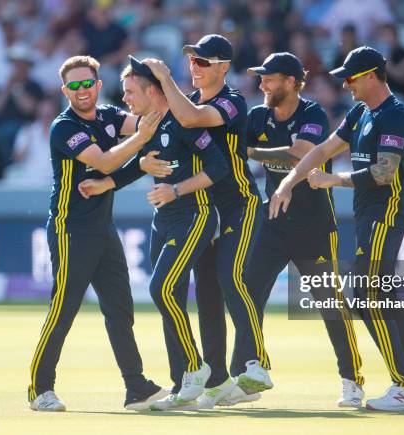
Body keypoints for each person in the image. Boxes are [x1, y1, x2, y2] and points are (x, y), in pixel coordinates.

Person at [270, 46, 404, 411]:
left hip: (385, 213)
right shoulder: (361, 111)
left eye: (351, 77)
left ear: (372, 75)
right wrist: (289, 182)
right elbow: (324, 148)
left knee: (364, 295)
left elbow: (384, 173)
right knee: (382, 299)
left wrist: (333, 180)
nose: (346, 85)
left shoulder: (394, 114)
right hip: (367, 215)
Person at [78, 56, 229, 411]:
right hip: (164, 220)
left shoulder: (184, 120)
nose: (125, 98)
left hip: (195, 215)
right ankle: (182, 386)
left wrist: (176, 190)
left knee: (160, 288)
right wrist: (107, 184)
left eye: (130, 92)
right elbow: (139, 164)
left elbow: (218, 168)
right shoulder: (146, 125)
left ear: (152, 91)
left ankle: (196, 367)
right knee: (168, 298)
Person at [27, 55, 166, 412]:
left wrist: (159, 104)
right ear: (65, 90)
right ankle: (40, 389)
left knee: (120, 308)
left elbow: (148, 121)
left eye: (87, 83)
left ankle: (136, 388)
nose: (82, 90)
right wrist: (142, 141)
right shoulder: (64, 126)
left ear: (99, 84)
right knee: (64, 308)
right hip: (69, 227)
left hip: (102, 228)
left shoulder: (108, 115)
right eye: (74, 86)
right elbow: (104, 162)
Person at [142, 34, 272, 408]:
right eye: (191, 61)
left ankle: (257, 363)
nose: (193, 68)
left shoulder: (232, 101)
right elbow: (165, 133)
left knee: (232, 276)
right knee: (209, 296)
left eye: (203, 62)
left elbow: (190, 118)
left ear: (223, 67)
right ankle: (216, 380)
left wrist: (165, 79)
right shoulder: (191, 99)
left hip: (239, 203)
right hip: (203, 210)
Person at [242, 52, 365, 407]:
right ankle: (254, 369)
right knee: (247, 296)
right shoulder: (257, 116)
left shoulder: (312, 112)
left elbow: (301, 155)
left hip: (313, 226)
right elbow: (233, 150)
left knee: (330, 304)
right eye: (261, 77)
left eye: (271, 77)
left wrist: (253, 150)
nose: (263, 83)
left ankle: (351, 380)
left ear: (294, 81)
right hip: (274, 222)